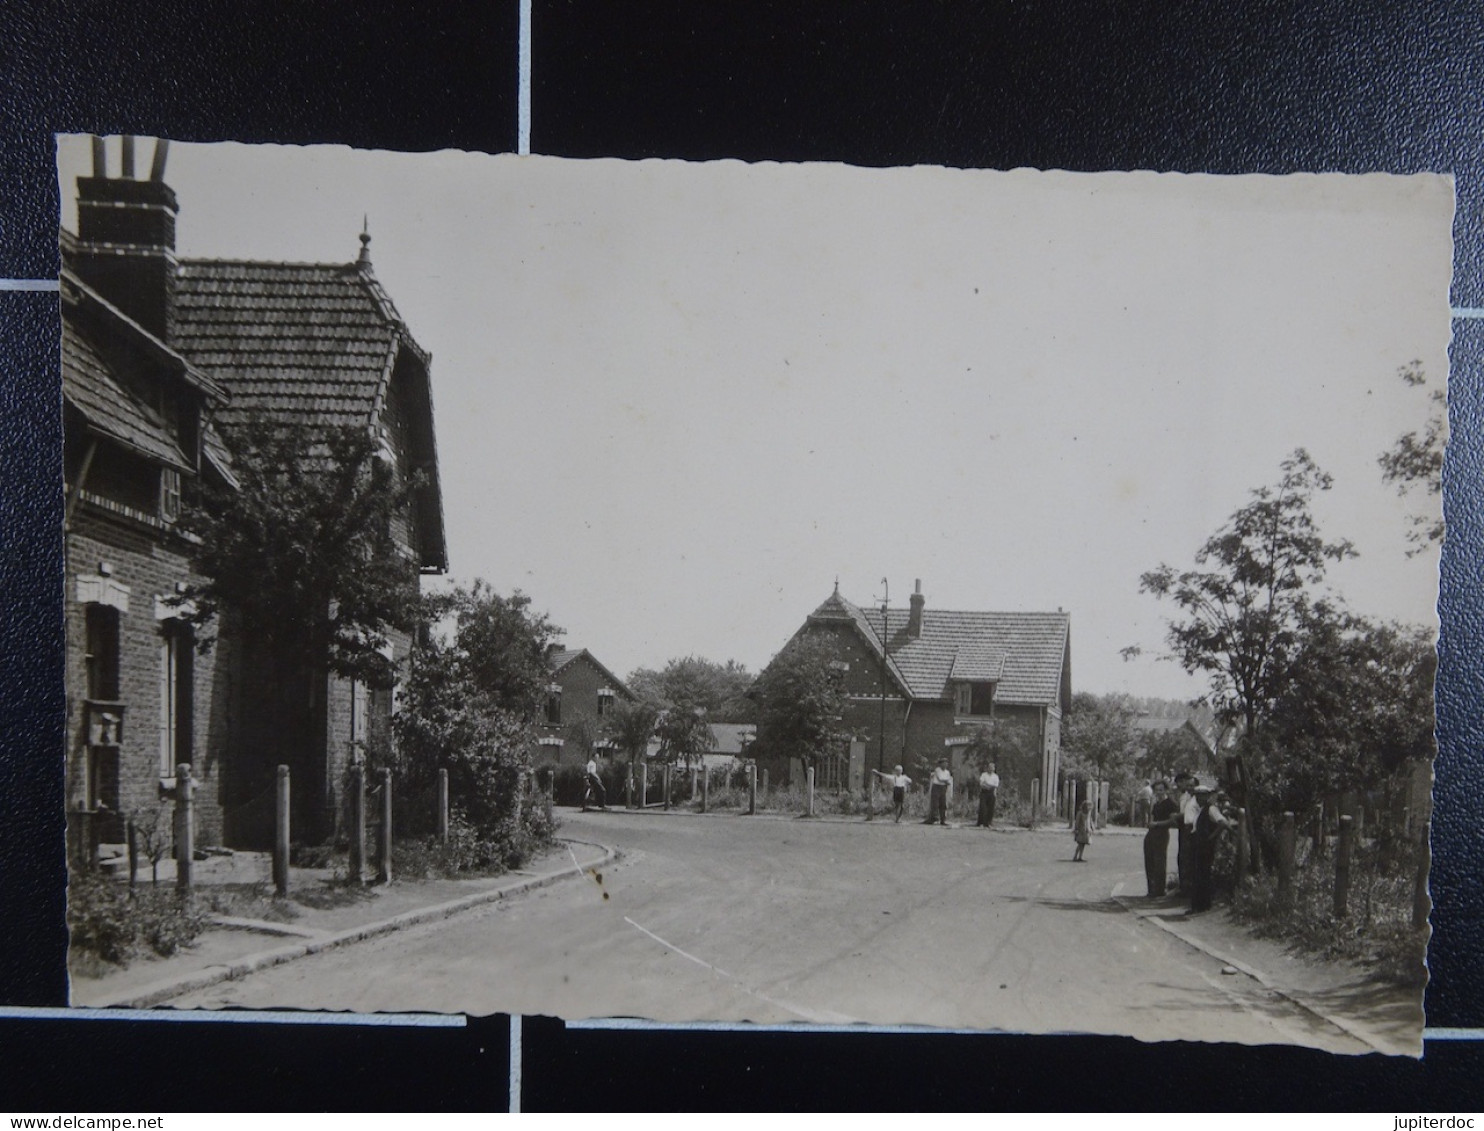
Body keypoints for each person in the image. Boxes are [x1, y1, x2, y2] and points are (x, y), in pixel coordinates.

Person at [1189, 788, 1234, 913]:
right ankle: (1198, 905)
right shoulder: (1201, 809)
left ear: (1207, 797)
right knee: (1198, 874)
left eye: (1202, 796)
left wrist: (1211, 837)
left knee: (1203, 874)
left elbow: (1223, 823)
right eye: (1197, 796)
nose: (1199, 799)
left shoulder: (1211, 809)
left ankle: (1203, 905)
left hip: (1205, 846)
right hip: (1199, 844)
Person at [1143, 781, 1180, 896]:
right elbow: (1152, 817)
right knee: (1149, 861)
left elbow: (1173, 821)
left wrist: (1157, 824)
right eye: (1157, 790)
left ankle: (1159, 890)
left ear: (1166, 790)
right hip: (1151, 833)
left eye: (1161, 790)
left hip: (1162, 833)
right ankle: (1151, 889)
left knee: (1159, 862)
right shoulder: (1156, 804)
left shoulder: (1170, 803)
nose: (1159, 792)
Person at [1175, 773, 1200, 892]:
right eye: (1188, 785)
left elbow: (1189, 814)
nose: (1189, 787)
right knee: (1182, 856)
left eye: (1191, 785)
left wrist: (1176, 816)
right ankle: (1183, 886)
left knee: (1189, 857)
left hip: (1192, 828)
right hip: (1183, 828)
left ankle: (1189, 887)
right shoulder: (1184, 796)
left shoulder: (1197, 799)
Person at [923, 758, 953, 825]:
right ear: (941, 764)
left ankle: (943, 820)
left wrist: (946, 781)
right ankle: (933, 818)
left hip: (943, 788)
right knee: (935, 804)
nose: (945, 764)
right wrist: (946, 781)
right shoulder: (937, 770)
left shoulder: (947, 772)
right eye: (944, 763)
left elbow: (949, 780)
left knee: (943, 804)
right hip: (937, 787)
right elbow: (940, 778)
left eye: (946, 763)